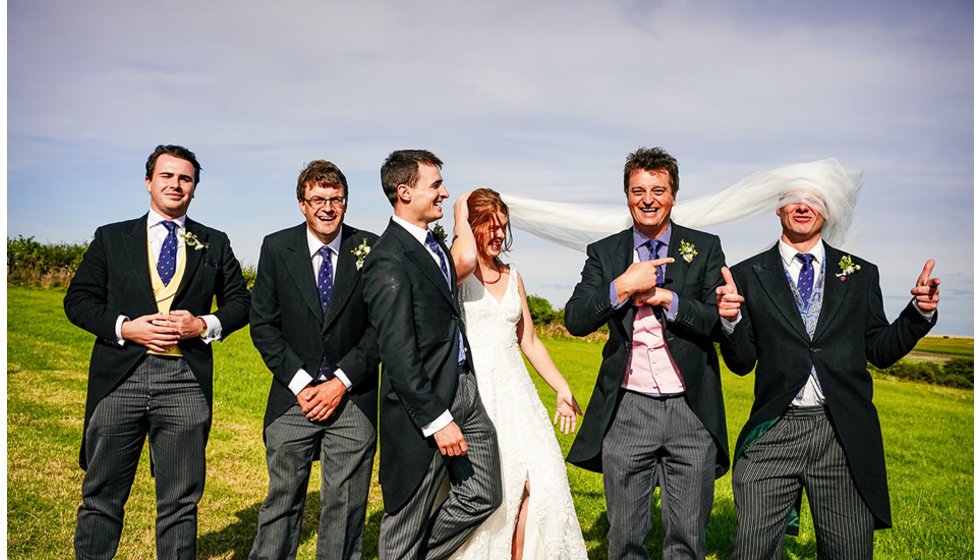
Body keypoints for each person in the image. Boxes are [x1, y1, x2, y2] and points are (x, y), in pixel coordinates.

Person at [716, 169, 940, 559]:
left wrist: (917, 313)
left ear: (829, 210)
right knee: (750, 551)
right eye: (795, 199)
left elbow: (880, 350)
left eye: (815, 199)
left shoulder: (860, 273)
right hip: (775, 429)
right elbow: (742, 362)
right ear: (779, 208)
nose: (804, 206)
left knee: (849, 551)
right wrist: (730, 321)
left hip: (842, 432)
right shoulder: (746, 275)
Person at [64, 144, 250, 559]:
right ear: (148, 181)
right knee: (102, 495)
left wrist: (202, 324)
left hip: (185, 381)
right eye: (167, 175)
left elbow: (241, 303)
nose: (175, 184)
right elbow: (78, 301)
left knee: (181, 501)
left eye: (185, 178)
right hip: (120, 378)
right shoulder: (111, 238)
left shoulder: (213, 243)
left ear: (194, 189)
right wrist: (125, 328)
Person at [564, 147, 730, 559]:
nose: (648, 199)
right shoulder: (604, 253)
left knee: (688, 539)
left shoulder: (705, 248)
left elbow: (715, 322)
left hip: (690, 410)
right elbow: (576, 319)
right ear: (626, 195)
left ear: (674, 195)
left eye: (659, 190)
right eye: (638, 190)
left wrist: (662, 296)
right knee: (624, 540)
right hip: (627, 409)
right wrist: (622, 286)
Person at [362, 150, 503, 560]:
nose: (444, 193)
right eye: (435, 185)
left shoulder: (434, 247)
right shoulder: (388, 259)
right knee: (406, 517)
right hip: (424, 404)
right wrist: (437, 420)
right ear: (404, 192)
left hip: (463, 389)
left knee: (483, 493)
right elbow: (398, 352)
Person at [248, 160, 380, 560]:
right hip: (294, 399)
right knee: (281, 502)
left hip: (353, 397)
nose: (327, 207)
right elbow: (263, 325)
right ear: (302, 204)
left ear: (346, 202)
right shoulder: (276, 247)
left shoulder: (370, 247)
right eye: (318, 199)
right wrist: (302, 383)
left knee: (345, 506)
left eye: (336, 199)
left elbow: (379, 328)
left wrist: (340, 381)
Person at [446, 188, 588, 560]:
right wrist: (459, 215)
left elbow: (531, 341)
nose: (497, 235)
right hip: (478, 395)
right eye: (488, 227)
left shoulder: (514, 276)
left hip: (519, 397)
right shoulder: (455, 270)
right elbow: (460, 259)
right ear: (470, 227)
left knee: (540, 484)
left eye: (502, 228)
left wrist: (562, 388)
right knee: (499, 489)